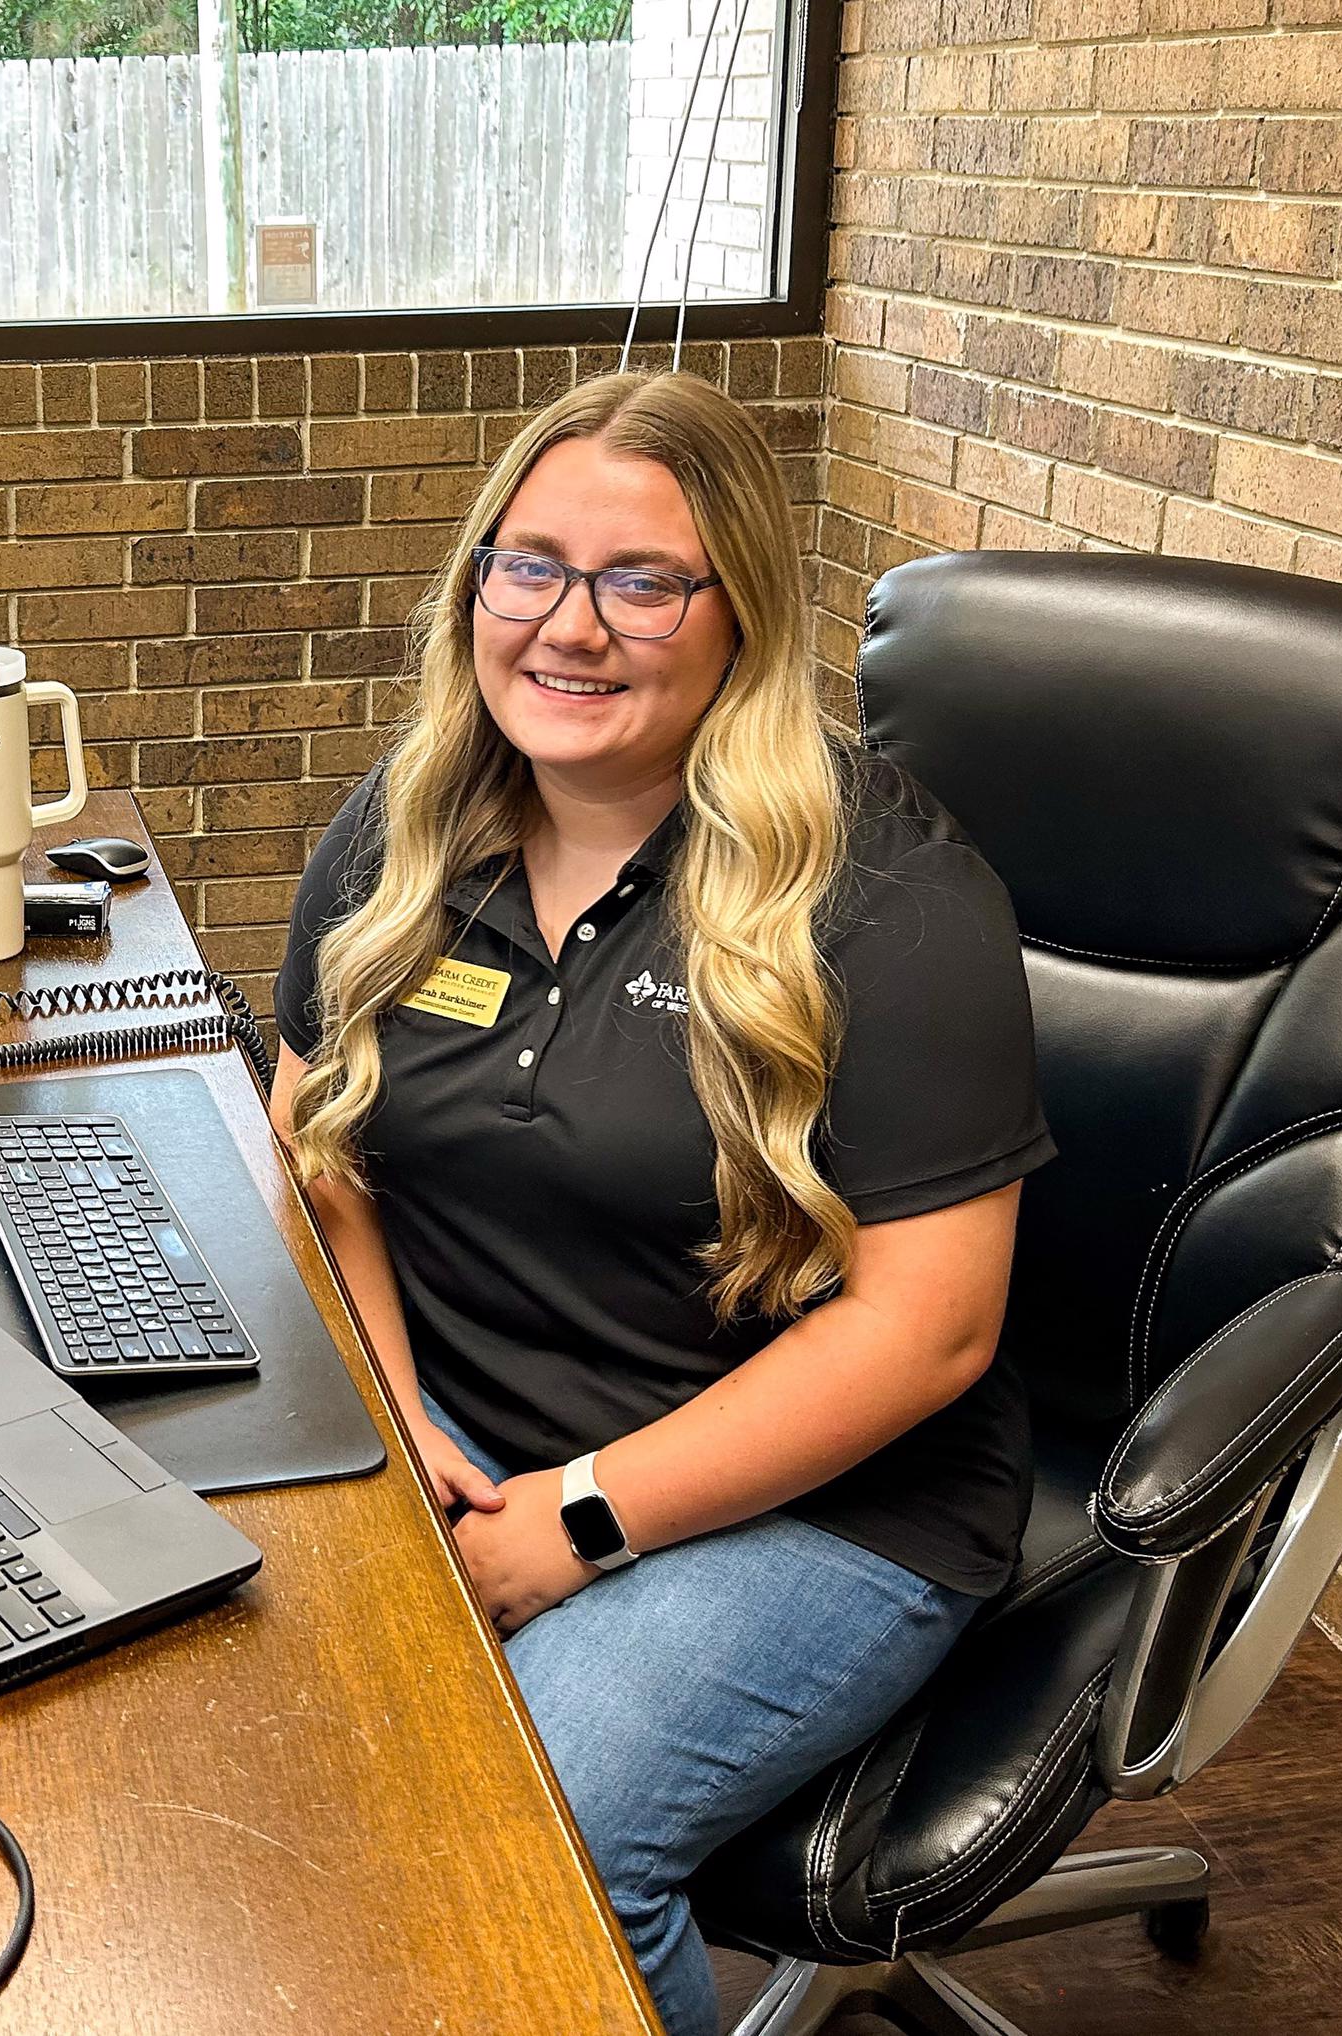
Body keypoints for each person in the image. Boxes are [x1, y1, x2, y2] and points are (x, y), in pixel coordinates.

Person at [268, 370, 1056, 2036]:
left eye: (641, 581)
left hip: (815, 1506)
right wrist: (399, 1414)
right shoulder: (410, 829)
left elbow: (931, 1330)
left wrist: (577, 1519)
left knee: (527, 1837)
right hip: (477, 1425)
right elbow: (312, 1133)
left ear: (738, 618)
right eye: (526, 564)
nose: (568, 625)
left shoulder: (886, 894)